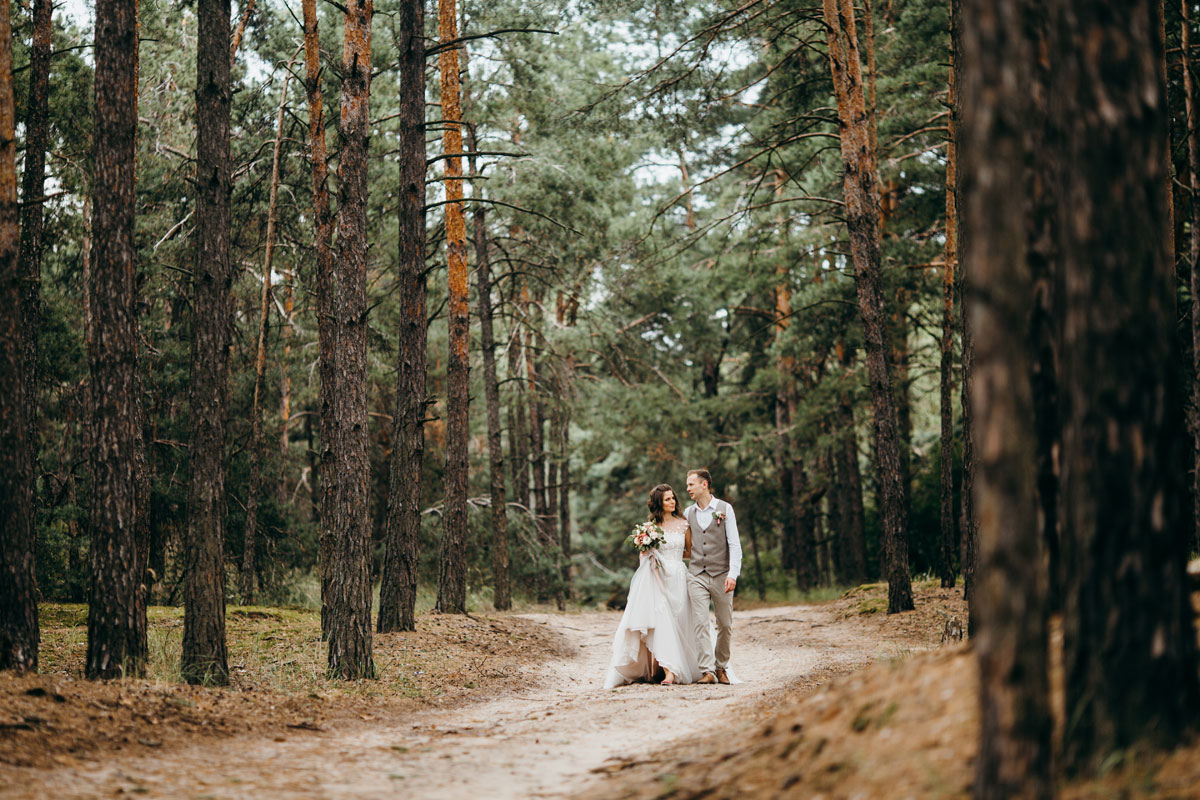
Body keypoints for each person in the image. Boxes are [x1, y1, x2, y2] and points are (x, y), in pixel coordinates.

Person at [603, 484, 701, 688]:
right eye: (667, 499)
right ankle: (669, 671)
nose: (672, 501)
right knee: (661, 621)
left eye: (673, 498)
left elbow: (689, 552)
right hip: (657, 579)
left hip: (678, 576)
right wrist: (653, 556)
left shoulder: (684, 524)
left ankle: (674, 665)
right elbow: (644, 555)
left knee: (680, 621)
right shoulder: (650, 528)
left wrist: (673, 559)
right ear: (659, 503)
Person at [684, 468, 742, 685]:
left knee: (725, 624)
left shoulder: (725, 509)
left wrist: (733, 574)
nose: (687, 488)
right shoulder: (688, 514)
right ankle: (707, 670)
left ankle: (721, 667)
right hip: (696, 574)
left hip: (722, 575)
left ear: (704, 485)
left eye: (691, 484)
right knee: (699, 622)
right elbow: (682, 543)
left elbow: (735, 544)